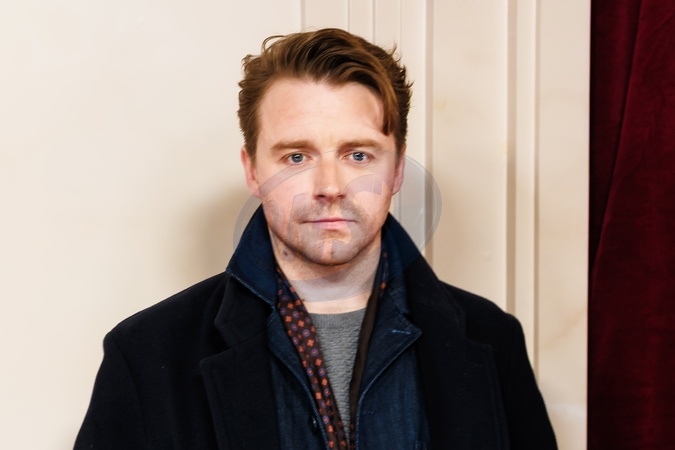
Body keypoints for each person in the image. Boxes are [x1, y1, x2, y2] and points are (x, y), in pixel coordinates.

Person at [75, 28, 557, 449]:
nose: (330, 186)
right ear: (252, 170)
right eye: (296, 157)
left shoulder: (494, 339)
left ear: (396, 169)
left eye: (359, 155)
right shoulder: (145, 354)